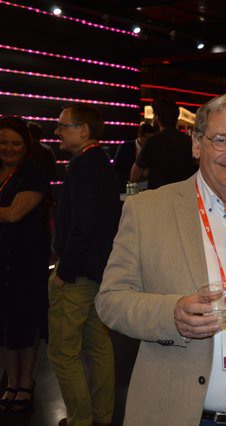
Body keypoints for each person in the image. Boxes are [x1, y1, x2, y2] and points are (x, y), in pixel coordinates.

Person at [95, 93, 226, 425]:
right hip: (179, 414)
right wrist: (171, 314)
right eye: (221, 140)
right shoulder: (147, 211)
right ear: (196, 144)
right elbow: (110, 300)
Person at [49, 104, 120, 426]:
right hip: (98, 271)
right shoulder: (101, 162)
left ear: (84, 130)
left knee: (62, 352)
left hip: (77, 274)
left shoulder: (82, 166)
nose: (57, 132)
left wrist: (64, 271)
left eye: (62, 126)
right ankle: (102, 417)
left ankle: (80, 419)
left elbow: (82, 225)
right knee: (99, 346)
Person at [0, 116, 50, 413]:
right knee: (4, 326)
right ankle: (10, 382)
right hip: (2, 261)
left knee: (25, 323)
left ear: (26, 145)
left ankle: (25, 382)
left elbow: (14, 214)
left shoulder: (33, 174)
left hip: (26, 262)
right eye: (3, 142)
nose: (9, 148)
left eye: (15, 143)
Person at [130, 97, 196, 189]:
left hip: (159, 195)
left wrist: (147, 172)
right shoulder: (189, 141)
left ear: (157, 118)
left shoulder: (153, 141)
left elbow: (134, 176)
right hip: (183, 193)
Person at [113, 122, 154, 193]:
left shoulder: (152, 149)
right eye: (147, 137)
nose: (149, 141)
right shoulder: (125, 147)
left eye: (151, 138)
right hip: (128, 187)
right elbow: (116, 168)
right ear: (139, 135)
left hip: (147, 189)